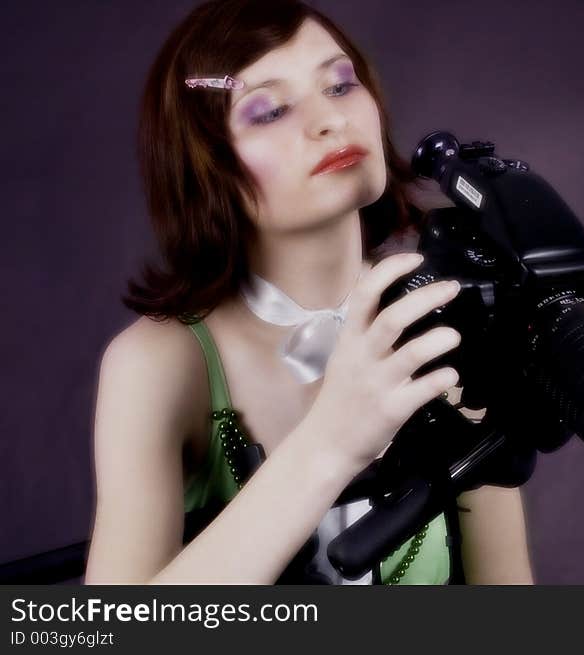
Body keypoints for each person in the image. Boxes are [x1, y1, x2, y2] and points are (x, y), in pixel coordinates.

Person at [84, 0, 534, 585]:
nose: (329, 120)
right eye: (269, 110)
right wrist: (333, 441)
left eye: (341, 85)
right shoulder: (159, 363)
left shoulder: (451, 322)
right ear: (203, 166)